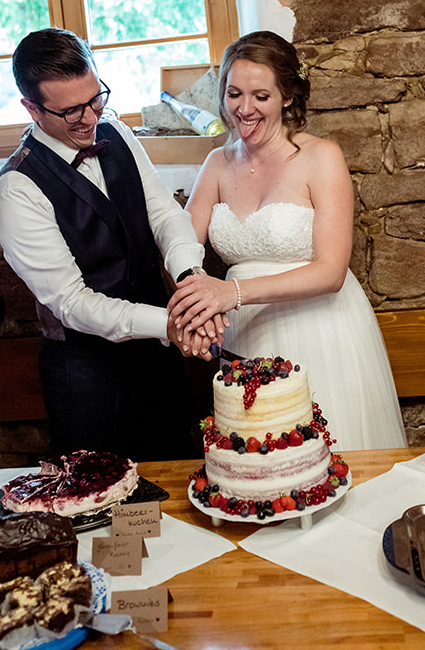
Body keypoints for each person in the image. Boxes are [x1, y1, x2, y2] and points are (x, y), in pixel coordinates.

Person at [0, 27, 223, 462]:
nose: (89, 117)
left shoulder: (115, 131)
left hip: (158, 363)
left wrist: (190, 278)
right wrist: (170, 325)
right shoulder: (16, 189)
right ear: (32, 108)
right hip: (87, 379)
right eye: (71, 111)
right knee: (99, 512)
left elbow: (164, 214)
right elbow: (72, 302)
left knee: (175, 491)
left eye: (96, 98)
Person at [168, 30, 406, 450]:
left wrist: (231, 292)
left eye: (261, 95)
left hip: (321, 329)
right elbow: (182, 249)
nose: (244, 109)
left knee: (327, 461)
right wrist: (195, 307)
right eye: (234, 93)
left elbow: (331, 271)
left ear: (288, 97)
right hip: (246, 334)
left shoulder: (321, 156)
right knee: (260, 466)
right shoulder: (216, 164)